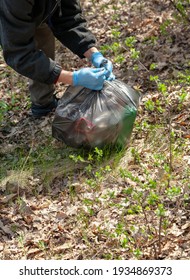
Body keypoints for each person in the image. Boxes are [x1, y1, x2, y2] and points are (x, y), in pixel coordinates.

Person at [0, 0, 115, 117]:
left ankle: (43, 102)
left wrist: (94, 54)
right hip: (10, 14)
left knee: (43, 32)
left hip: (25, 11)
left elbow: (68, 17)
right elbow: (19, 53)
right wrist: (73, 78)